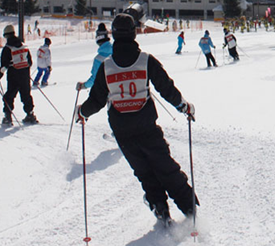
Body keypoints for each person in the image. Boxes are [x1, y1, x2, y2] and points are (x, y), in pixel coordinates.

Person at [76, 13, 198, 226]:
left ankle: (160, 208)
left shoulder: (107, 66)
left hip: (123, 132)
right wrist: (182, 105)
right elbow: (165, 87)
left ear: (114, 34)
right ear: (134, 33)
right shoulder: (146, 61)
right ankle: (189, 208)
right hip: (147, 127)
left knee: (144, 172)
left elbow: (96, 99)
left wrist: (82, 112)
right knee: (165, 167)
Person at [0, 24, 38, 125]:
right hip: (25, 75)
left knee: (9, 95)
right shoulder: (24, 46)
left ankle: (8, 117)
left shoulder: (7, 48)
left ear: (7, 36)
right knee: (26, 95)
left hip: (13, 75)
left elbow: (4, 67)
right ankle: (30, 114)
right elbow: (30, 62)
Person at [76, 23, 112, 91]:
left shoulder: (99, 59)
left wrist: (84, 85)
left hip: (106, 93)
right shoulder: (117, 52)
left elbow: (95, 79)